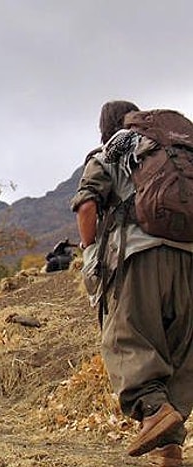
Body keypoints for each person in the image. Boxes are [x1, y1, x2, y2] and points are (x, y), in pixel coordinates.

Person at [71, 100, 193, 466]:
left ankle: (154, 411)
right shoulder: (175, 152)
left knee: (126, 339)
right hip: (190, 260)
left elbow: (88, 206)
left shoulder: (115, 148)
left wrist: (90, 249)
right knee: (180, 353)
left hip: (139, 258)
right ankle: (168, 448)